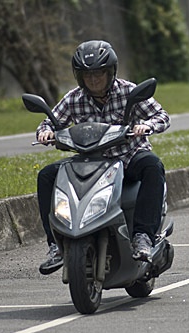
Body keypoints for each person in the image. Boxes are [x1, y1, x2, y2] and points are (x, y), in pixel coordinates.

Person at [36, 40, 171, 274]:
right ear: (79, 77)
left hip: (128, 157)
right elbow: (49, 121)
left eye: (99, 74)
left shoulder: (129, 91)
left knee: (152, 165)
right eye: (87, 75)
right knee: (47, 175)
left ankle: (143, 236)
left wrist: (145, 126)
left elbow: (162, 116)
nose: (94, 80)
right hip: (90, 161)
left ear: (111, 72)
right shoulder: (73, 99)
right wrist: (45, 132)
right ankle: (55, 245)